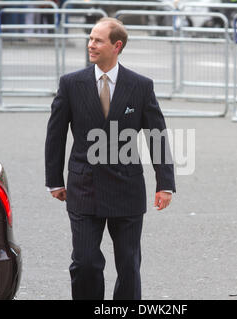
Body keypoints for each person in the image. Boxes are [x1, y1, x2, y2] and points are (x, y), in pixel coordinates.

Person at [44, 17, 176, 300]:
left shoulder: (140, 86)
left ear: (117, 46)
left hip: (126, 188)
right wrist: (53, 180)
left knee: (129, 265)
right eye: (90, 38)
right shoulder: (71, 84)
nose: (91, 45)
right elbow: (55, 134)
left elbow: (157, 135)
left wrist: (165, 183)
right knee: (86, 262)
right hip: (83, 186)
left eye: (98, 40)